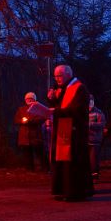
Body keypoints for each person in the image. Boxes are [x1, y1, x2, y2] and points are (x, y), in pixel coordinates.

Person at [44, 65, 94, 201]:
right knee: (62, 161)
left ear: (68, 74)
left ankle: (76, 192)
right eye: (55, 76)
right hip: (63, 129)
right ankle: (63, 190)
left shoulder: (79, 88)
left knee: (74, 162)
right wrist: (52, 100)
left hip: (75, 132)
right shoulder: (61, 89)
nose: (57, 79)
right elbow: (61, 106)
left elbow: (77, 110)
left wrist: (55, 111)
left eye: (59, 75)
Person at [14, 92, 48, 171]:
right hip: (24, 136)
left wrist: (30, 121)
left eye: (31, 99)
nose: (29, 100)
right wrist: (22, 121)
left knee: (40, 152)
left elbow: (42, 118)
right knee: (27, 154)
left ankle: (45, 168)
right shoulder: (21, 109)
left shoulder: (38, 108)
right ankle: (30, 169)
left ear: (34, 99)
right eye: (27, 99)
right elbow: (16, 119)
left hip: (36, 135)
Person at [88, 95, 106, 179]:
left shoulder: (98, 112)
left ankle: (94, 173)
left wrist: (91, 125)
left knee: (93, 158)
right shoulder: (81, 112)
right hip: (83, 139)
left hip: (94, 139)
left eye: (91, 101)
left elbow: (102, 124)